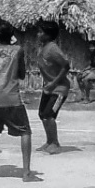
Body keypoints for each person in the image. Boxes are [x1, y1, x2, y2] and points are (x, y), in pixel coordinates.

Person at [0, 20, 38, 182]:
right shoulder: (17, 50)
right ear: (11, 34)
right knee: (25, 132)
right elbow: (21, 74)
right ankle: (26, 172)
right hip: (12, 99)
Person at [35, 20, 71, 153]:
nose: (38, 34)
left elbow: (66, 65)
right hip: (48, 88)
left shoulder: (53, 48)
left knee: (49, 114)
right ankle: (49, 141)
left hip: (59, 89)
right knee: (42, 114)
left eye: (41, 32)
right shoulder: (43, 47)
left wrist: (54, 82)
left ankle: (55, 142)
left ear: (48, 35)